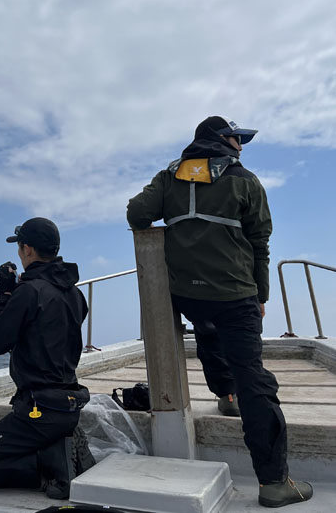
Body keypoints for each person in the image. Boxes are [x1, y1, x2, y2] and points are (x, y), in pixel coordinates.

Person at [126, 116, 312, 508]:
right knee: (254, 379)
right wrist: (260, 293)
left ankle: (225, 394)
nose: (241, 146)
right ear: (219, 139)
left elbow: (136, 213)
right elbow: (260, 240)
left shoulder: (169, 176)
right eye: (236, 138)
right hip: (234, 293)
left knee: (207, 328)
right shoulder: (245, 180)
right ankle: (274, 481)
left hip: (185, 294)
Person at [0, 217, 95, 499]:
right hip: (68, 408)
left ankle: (49, 465)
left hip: (37, 414)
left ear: (27, 250)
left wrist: (4, 294)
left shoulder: (29, 292)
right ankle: (56, 446)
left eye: (20, 248)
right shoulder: (76, 295)